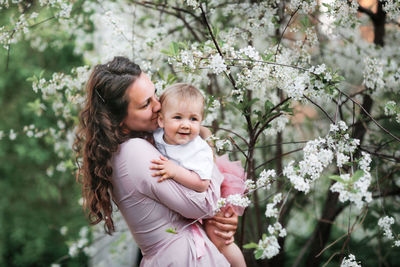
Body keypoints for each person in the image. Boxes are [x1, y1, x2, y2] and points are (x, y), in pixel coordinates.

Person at [75, 56, 239, 266]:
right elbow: (205, 204)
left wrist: (222, 219)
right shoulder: (134, 152)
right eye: (145, 104)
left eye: (154, 94)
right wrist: (209, 152)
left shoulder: (148, 143)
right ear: (119, 121)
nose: (158, 106)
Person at [149, 83, 247, 267]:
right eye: (178, 117)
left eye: (193, 119)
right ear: (161, 121)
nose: (186, 124)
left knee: (220, 239)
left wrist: (175, 171)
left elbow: (202, 184)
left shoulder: (198, 149)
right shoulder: (157, 135)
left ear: (201, 121)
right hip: (187, 200)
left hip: (211, 195)